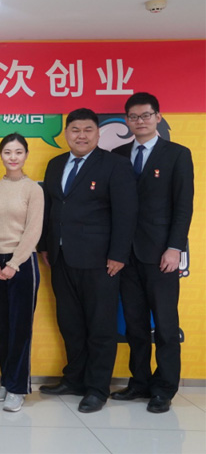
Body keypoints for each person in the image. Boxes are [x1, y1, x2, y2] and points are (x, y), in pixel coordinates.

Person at [38, 108, 137, 413]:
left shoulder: (115, 165)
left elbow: (126, 213)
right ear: (66, 133)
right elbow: (50, 208)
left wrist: (118, 254)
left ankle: (97, 388)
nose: (81, 136)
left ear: (97, 133)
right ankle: (74, 379)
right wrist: (45, 246)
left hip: (100, 261)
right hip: (61, 258)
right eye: (75, 130)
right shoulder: (55, 164)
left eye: (87, 130)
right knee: (70, 324)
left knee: (100, 326)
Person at [110, 92, 194, 413]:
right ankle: (140, 382)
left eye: (146, 115)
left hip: (161, 255)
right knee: (134, 324)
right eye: (133, 117)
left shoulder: (177, 154)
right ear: (127, 121)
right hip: (126, 255)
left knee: (166, 325)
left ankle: (165, 387)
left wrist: (174, 248)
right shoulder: (118, 155)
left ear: (158, 117)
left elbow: (183, 207)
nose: (140, 121)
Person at [0, 134, 44, 412]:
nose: (13, 157)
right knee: (4, 327)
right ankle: (7, 382)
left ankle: (18, 388)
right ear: (1, 155)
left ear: (26, 155)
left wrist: (14, 263)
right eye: (8, 152)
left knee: (20, 329)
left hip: (23, 263)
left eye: (19, 152)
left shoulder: (33, 189)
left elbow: (33, 230)